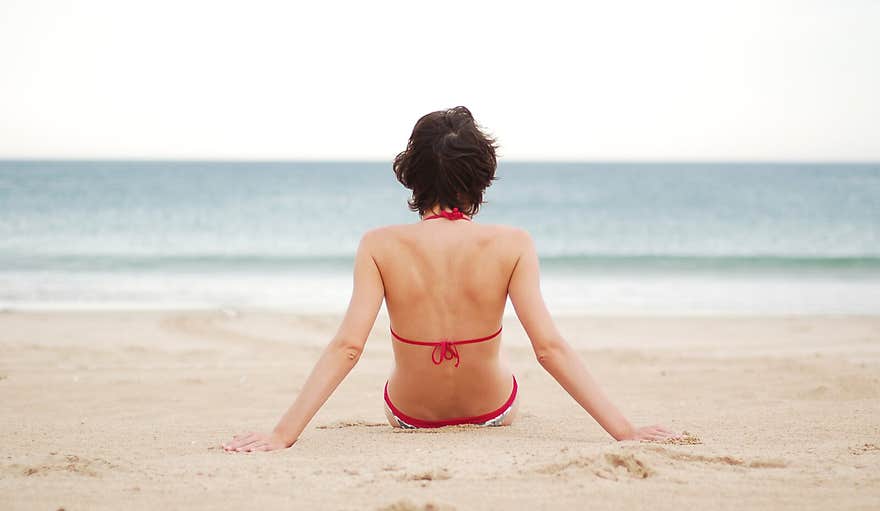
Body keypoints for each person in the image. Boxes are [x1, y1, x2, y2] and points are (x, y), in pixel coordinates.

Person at [224, 106, 679, 453]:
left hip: (407, 417)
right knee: (506, 370)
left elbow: (347, 347)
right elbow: (549, 349)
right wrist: (626, 431)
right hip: (493, 412)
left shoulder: (378, 245)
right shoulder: (513, 243)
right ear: (482, 176)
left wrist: (282, 434)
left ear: (412, 175)